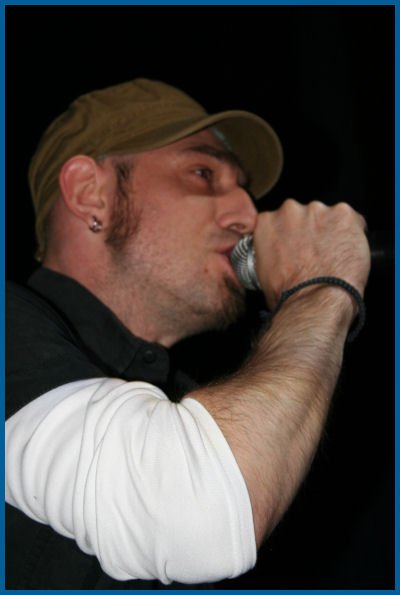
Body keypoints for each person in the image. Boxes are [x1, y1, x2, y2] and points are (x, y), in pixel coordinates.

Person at [5, 78, 370, 590]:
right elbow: (191, 515)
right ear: (91, 194)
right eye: (203, 173)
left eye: (243, 187)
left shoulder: (187, 399)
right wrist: (319, 289)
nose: (248, 214)